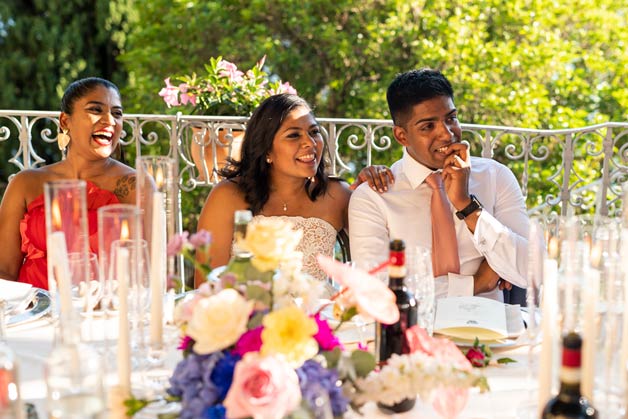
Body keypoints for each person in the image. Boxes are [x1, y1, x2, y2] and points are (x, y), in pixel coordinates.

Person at [349, 69, 529, 301]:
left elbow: (531, 270)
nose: (446, 134)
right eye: (427, 126)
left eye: (451, 118)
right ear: (401, 136)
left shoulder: (496, 177)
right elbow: (376, 292)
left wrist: (467, 206)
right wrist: (475, 284)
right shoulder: (373, 197)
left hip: (490, 330)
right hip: (410, 330)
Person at [196, 93, 393, 287]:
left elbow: (387, 244)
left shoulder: (337, 196)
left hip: (316, 317)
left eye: (314, 132)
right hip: (247, 317)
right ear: (266, 151)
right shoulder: (227, 197)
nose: (310, 142)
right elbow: (205, 286)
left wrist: (369, 188)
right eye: (293, 135)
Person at [0, 77, 136, 289]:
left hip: (103, 314)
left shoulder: (135, 186)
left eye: (117, 113)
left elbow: (147, 270)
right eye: (96, 110)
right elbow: (5, 270)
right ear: (65, 122)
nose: (110, 120)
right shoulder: (25, 184)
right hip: (32, 314)